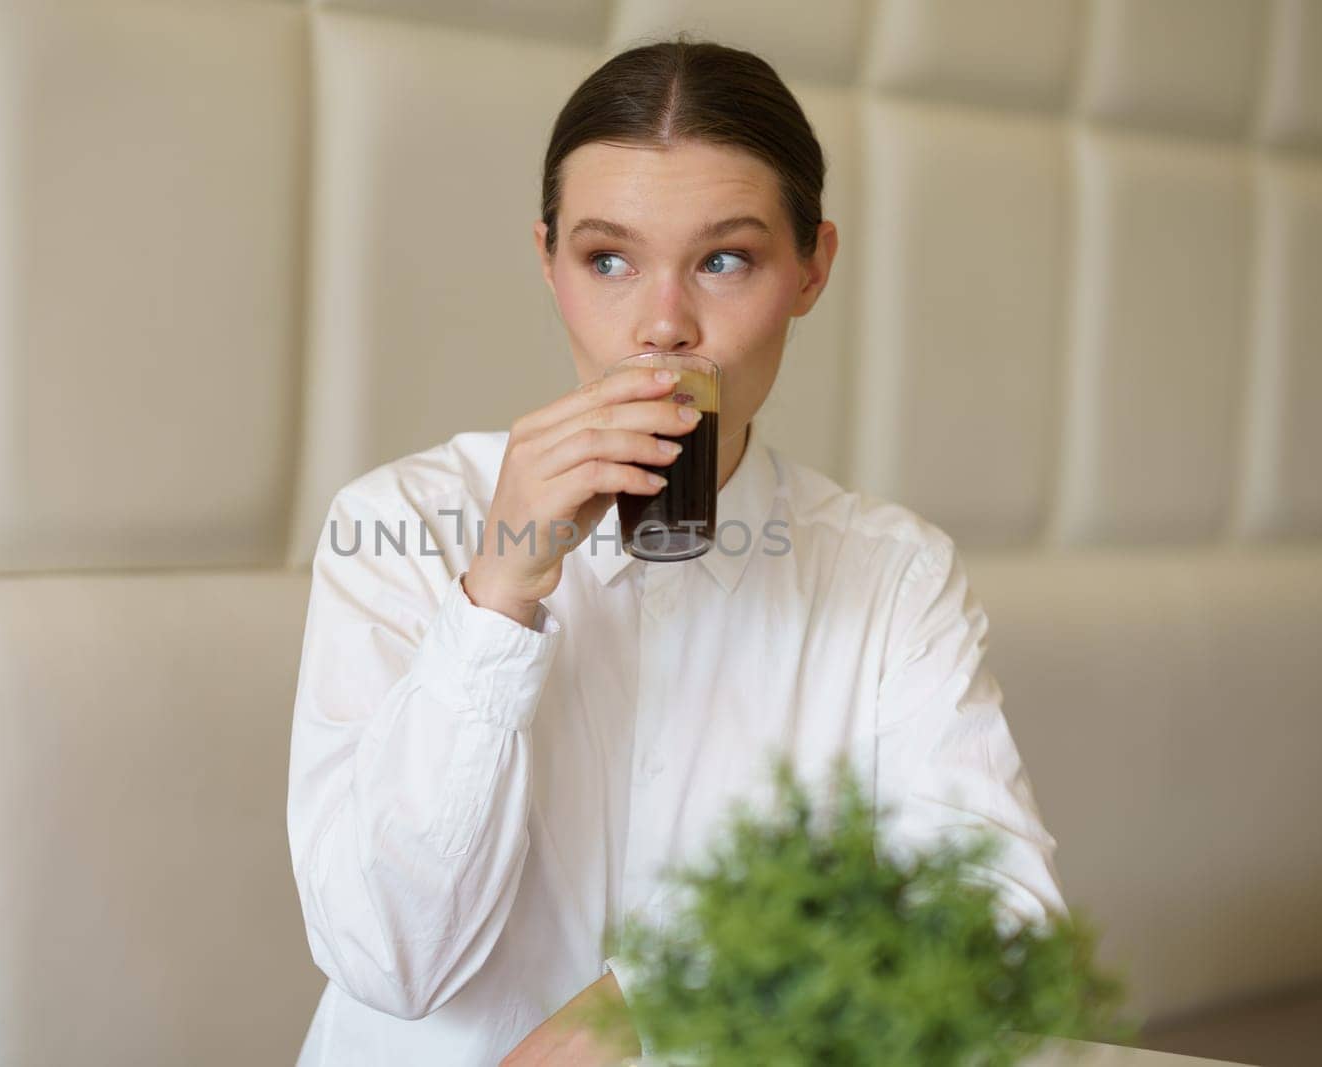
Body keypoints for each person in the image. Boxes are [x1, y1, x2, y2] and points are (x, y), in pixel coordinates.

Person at [286, 36, 1067, 1067]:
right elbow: (385, 958)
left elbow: (1001, 925)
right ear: (547, 262)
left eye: (723, 260)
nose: (663, 327)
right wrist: (499, 593)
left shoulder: (890, 575)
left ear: (810, 269)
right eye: (607, 259)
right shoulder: (398, 523)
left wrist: (655, 995)